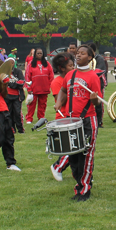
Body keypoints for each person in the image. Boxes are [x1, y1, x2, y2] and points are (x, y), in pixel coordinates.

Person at [53, 45, 101, 201]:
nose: (78, 55)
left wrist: (94, 99)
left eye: (82, 53)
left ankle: (84, 189)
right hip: (71, 120)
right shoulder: (70, 75)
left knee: (86, 155)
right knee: (73, 156)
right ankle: (80, 183)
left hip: (87, 120)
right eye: (77, 53)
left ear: (90, 57)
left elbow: (98, 102)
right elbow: (63, 90)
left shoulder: (93, 76)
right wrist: (59, 102)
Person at [50, 52, 75, 182]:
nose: (73, 68)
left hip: (74, 117)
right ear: (62, 68)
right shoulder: (57, 82)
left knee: (79, 147)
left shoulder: (73, 78)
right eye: (70, 66)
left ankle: (78, 174)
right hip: (63, 118)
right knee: (71, 147)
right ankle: (57, 167)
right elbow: (60, 101)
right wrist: (68, 87)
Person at [25, 48, 54, 123]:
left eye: (41, 53)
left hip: (44, 88)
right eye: (38, 53)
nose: (39, 55)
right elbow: (27, 76)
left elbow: (51, 75)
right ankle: (29, 118)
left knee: (43, 104)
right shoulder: (31, 64)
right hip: (34, 88)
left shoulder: (47, 63)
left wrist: (49, 85)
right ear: (35, 54)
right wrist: (29, 88)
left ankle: (41, 118)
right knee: (31, 104)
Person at [87, 43, 108, 128]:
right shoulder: (87, 60)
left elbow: (100, 71)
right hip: (88, 84)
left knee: (99, 103)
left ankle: (99, 122)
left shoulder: (99, 59)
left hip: (99, 83)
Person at [5, 58, 26, 134]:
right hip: (7, 96)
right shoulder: (4, 73)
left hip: (17, 96)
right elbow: (3, 82)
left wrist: (11, 84)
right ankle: (12, 129)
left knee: (17, 113)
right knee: (9, 113)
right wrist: (14, 84)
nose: (10, 64)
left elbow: (21, 82)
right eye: (9, 63)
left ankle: (20, 129)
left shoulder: (18, 71)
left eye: (12, 63)